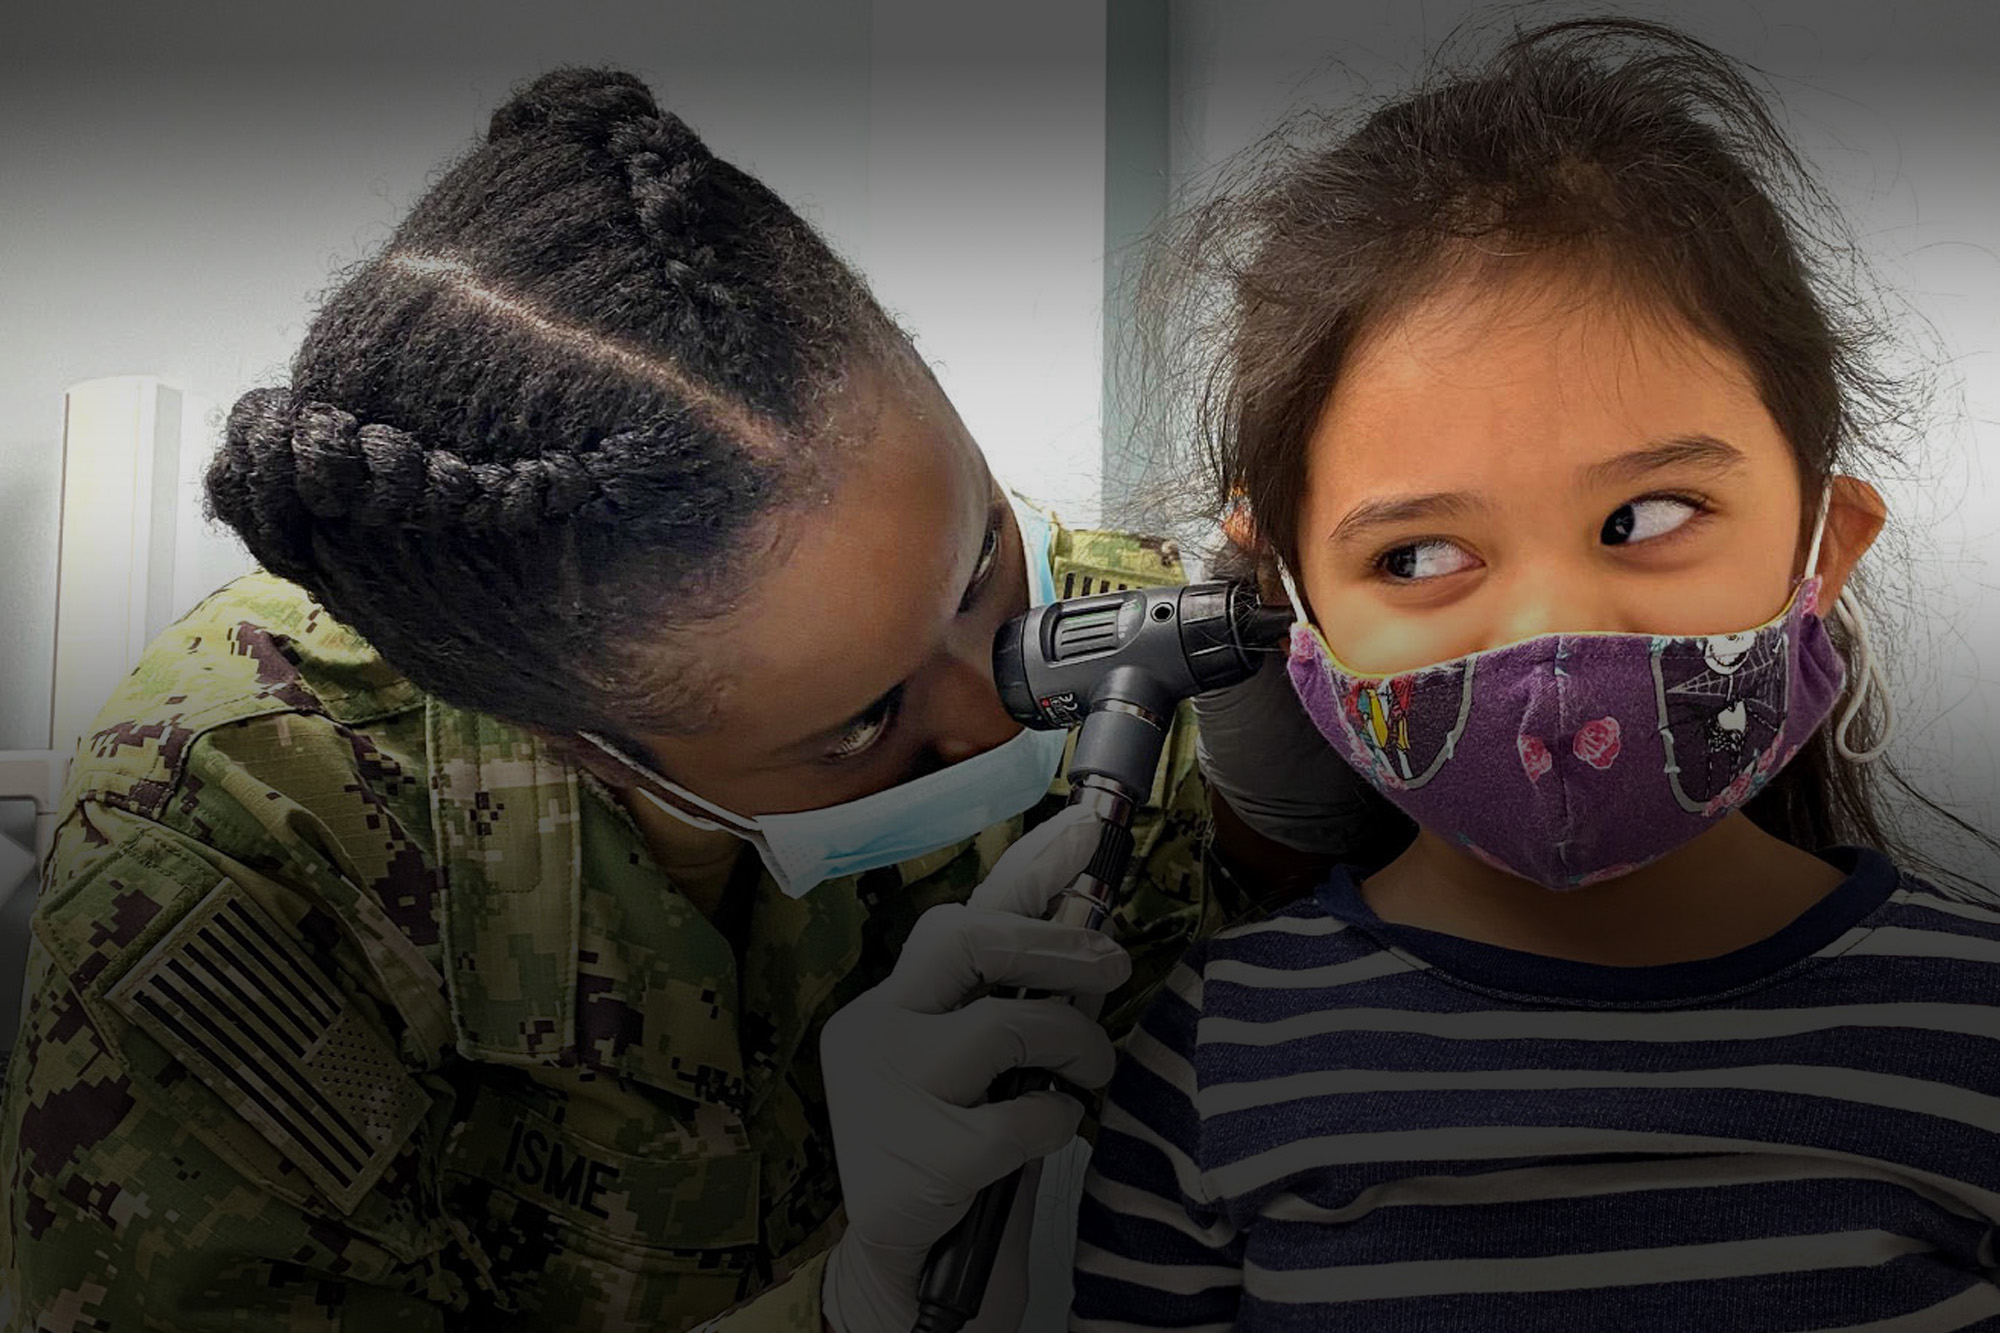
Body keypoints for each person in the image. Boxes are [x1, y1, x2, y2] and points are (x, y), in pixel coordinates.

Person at [0, 67, 1380, 1333]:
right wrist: (843, 1303)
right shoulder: (234, 842)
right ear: (576, 742)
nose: (1002, 702)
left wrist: (1276, 810)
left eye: (977, 571)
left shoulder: (1100, 628)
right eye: (859, 726)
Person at [1072, 18, 2000, 1331]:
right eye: (1423, 552)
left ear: (1824, 543)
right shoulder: (1220, 1058)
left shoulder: (1974, 1031)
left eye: (1650, 517)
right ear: (1295, 608)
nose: (1551, 635)